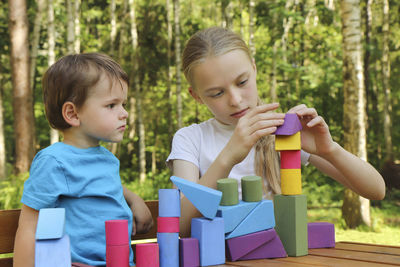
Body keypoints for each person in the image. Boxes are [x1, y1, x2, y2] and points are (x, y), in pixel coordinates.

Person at [166, 26, 386, 237]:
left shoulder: (281, 132)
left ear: (254, 69)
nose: (235, 100)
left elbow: (376, 190)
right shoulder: (190, 138)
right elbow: (182, 226)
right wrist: (229, 156)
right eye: (216, 93)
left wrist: (329, 150)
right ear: (196, 96)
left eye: (242, 82)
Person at [13, 53, 153, 267]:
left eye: (123, 104)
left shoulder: (106, 158)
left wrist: (134, 199)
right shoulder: (54, 161)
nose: (124, 113)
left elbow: (100, 184)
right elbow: (29, 226)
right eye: (111, 105)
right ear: (73, 114)